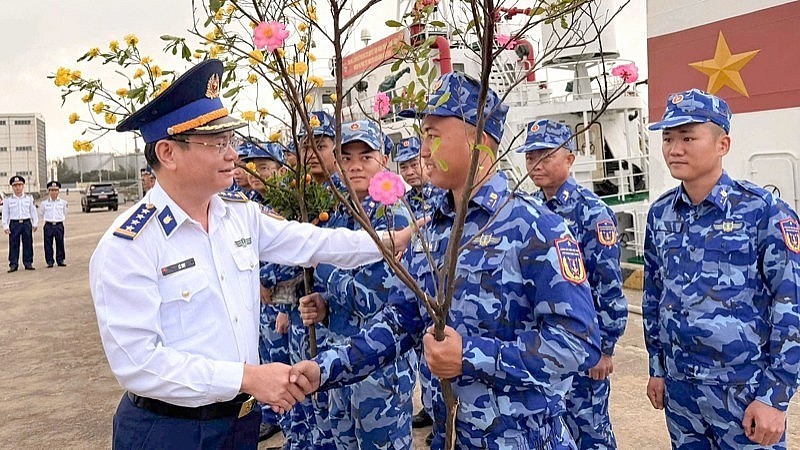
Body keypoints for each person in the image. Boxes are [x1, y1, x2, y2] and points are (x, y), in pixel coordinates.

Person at [89, 59, 414, 450]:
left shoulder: (237, 214)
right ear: (167, 152)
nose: (232, 155)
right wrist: (246, 377)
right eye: (217, 144)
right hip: (169, 430)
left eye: (231, 142)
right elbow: (139, 364)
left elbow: (312, 243)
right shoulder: (130, 245)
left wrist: (389, 241)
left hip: (239, 424)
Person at [296, 72, 601, 449]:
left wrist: (470, 356)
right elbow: (400, 322)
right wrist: (325, 368)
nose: (423, 151)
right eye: (423, 135)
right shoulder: (434, 230)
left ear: (477, 140)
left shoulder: (534, 228)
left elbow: (577, 343)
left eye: (433, 135)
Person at [643, 88, 800, 449]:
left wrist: (775, 395)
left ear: (722, 144)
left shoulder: (764, 211)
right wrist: (657, 368)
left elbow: (791, 303)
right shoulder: (661, 214)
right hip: (682, 393)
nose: (674, 148)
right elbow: (654, 294)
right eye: (668, 138)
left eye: (687, 137)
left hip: (745, 392)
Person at [302, 120, 416, 449]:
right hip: (338, 361)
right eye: (347, 157)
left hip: (379, 372)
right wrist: (322, 303)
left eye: (366, 156)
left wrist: (322, 264)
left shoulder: (394, 218)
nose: (355, 166)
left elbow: (375, 298)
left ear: (384, 160)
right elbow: (343, 290)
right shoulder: (336, 215)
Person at [518, 119, 628, 449]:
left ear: (569, 159)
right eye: (529, 156)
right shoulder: (526, 211)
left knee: (590, 432)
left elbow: (607, 286)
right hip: (543, 347)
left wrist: (604, 348)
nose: (535, 164)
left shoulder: (592, 214)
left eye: (545, 155)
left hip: (582, 349)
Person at [396, 135, 445, 219]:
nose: (409, 172)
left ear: (428, 162)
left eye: (414, 165)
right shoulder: (404, 201)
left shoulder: (444, 195)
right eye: (403, 167)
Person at [2, 175, 38, 272]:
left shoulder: (29, 198)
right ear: (12, 187)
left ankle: (28, 262)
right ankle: (13, 264)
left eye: (20, 185)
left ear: (23, 186)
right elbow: (5, 214)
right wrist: (5, 225)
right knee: (14, 244)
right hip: (14, 223)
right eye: (15, 185)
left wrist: (35, 223)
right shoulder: (8, 200)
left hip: (26, 223)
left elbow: (33, 211)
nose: (18, 187)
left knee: (28, 243)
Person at [41, 180, 69, 268]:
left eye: (55, 190)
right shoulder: (44, 203)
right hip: (48, 225)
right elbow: (42, 214)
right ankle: (49, 261)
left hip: (59, 225)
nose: (54, 192)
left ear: (58, 191)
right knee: (48, 244)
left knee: (60, 242)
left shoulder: (63, 203)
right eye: (52, 190)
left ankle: (60, 260)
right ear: (49, 191)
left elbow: (65, 213)